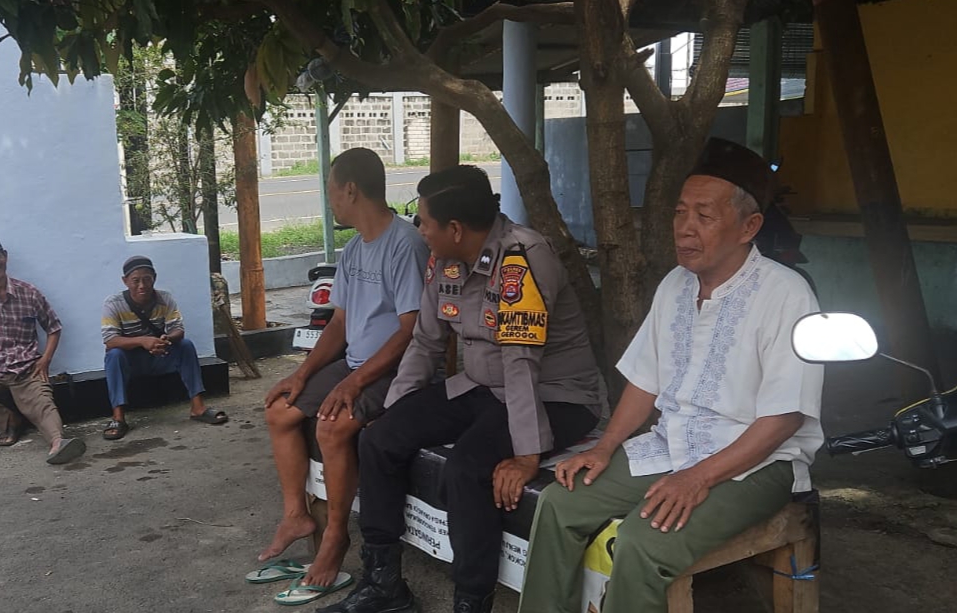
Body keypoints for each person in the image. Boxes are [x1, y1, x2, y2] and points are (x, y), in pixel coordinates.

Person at [517, 138, 825, 613]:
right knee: (560, 503)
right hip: (672, 444)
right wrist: (604, 446)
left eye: (704, 215)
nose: (685, 228)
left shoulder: (787, 294)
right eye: (680, 213)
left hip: (760, 463)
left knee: (645, 541)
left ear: (749, 227)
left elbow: (784, 419)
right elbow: (646, 379)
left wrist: (697, 478)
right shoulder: (675, 284)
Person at [320, 165, 605, 613]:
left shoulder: (523, 259)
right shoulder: (444, 259)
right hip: (481, 386)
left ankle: (471, 601)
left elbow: (521, 363)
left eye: (425, 221)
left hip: (554, 395)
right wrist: (395, 410)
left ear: (454, 228)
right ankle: (384, 584)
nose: (419, 230)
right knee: (379, 438)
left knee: (467, 467)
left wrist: (527, 454)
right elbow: (425, 342)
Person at [259, 147, 430, 594]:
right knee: (279, 409)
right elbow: (339, 323)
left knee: (331, 426)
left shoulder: (404, 244)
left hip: (396, 373)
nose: (330, 199)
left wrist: (354, 382)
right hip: (355, 364)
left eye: (331, 189)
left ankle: (336, 535)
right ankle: (295, 515)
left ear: (350, 190)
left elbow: (411, 331)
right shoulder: (354, 248)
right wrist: (301, 373)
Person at [0, 235, 86, 465]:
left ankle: (58, 444)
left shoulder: (29, 293)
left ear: (5, 257)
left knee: (43, 404)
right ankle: (9, 421)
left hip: (27, 371)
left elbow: (54, 328)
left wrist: (45, 360)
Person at [100, 255, 227, 439]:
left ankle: (198, 407)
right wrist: (143, 341)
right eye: (135, 281)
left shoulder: (165, 298)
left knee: (185, 346)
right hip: (131, 361)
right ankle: (118, 417)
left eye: (147, 279)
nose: (142, 285)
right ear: (125, 281)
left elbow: (178, 329)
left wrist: (166, 339)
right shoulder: (113, 303)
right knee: (114, 355)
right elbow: (110, 340)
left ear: (154, 278)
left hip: (159, 355)